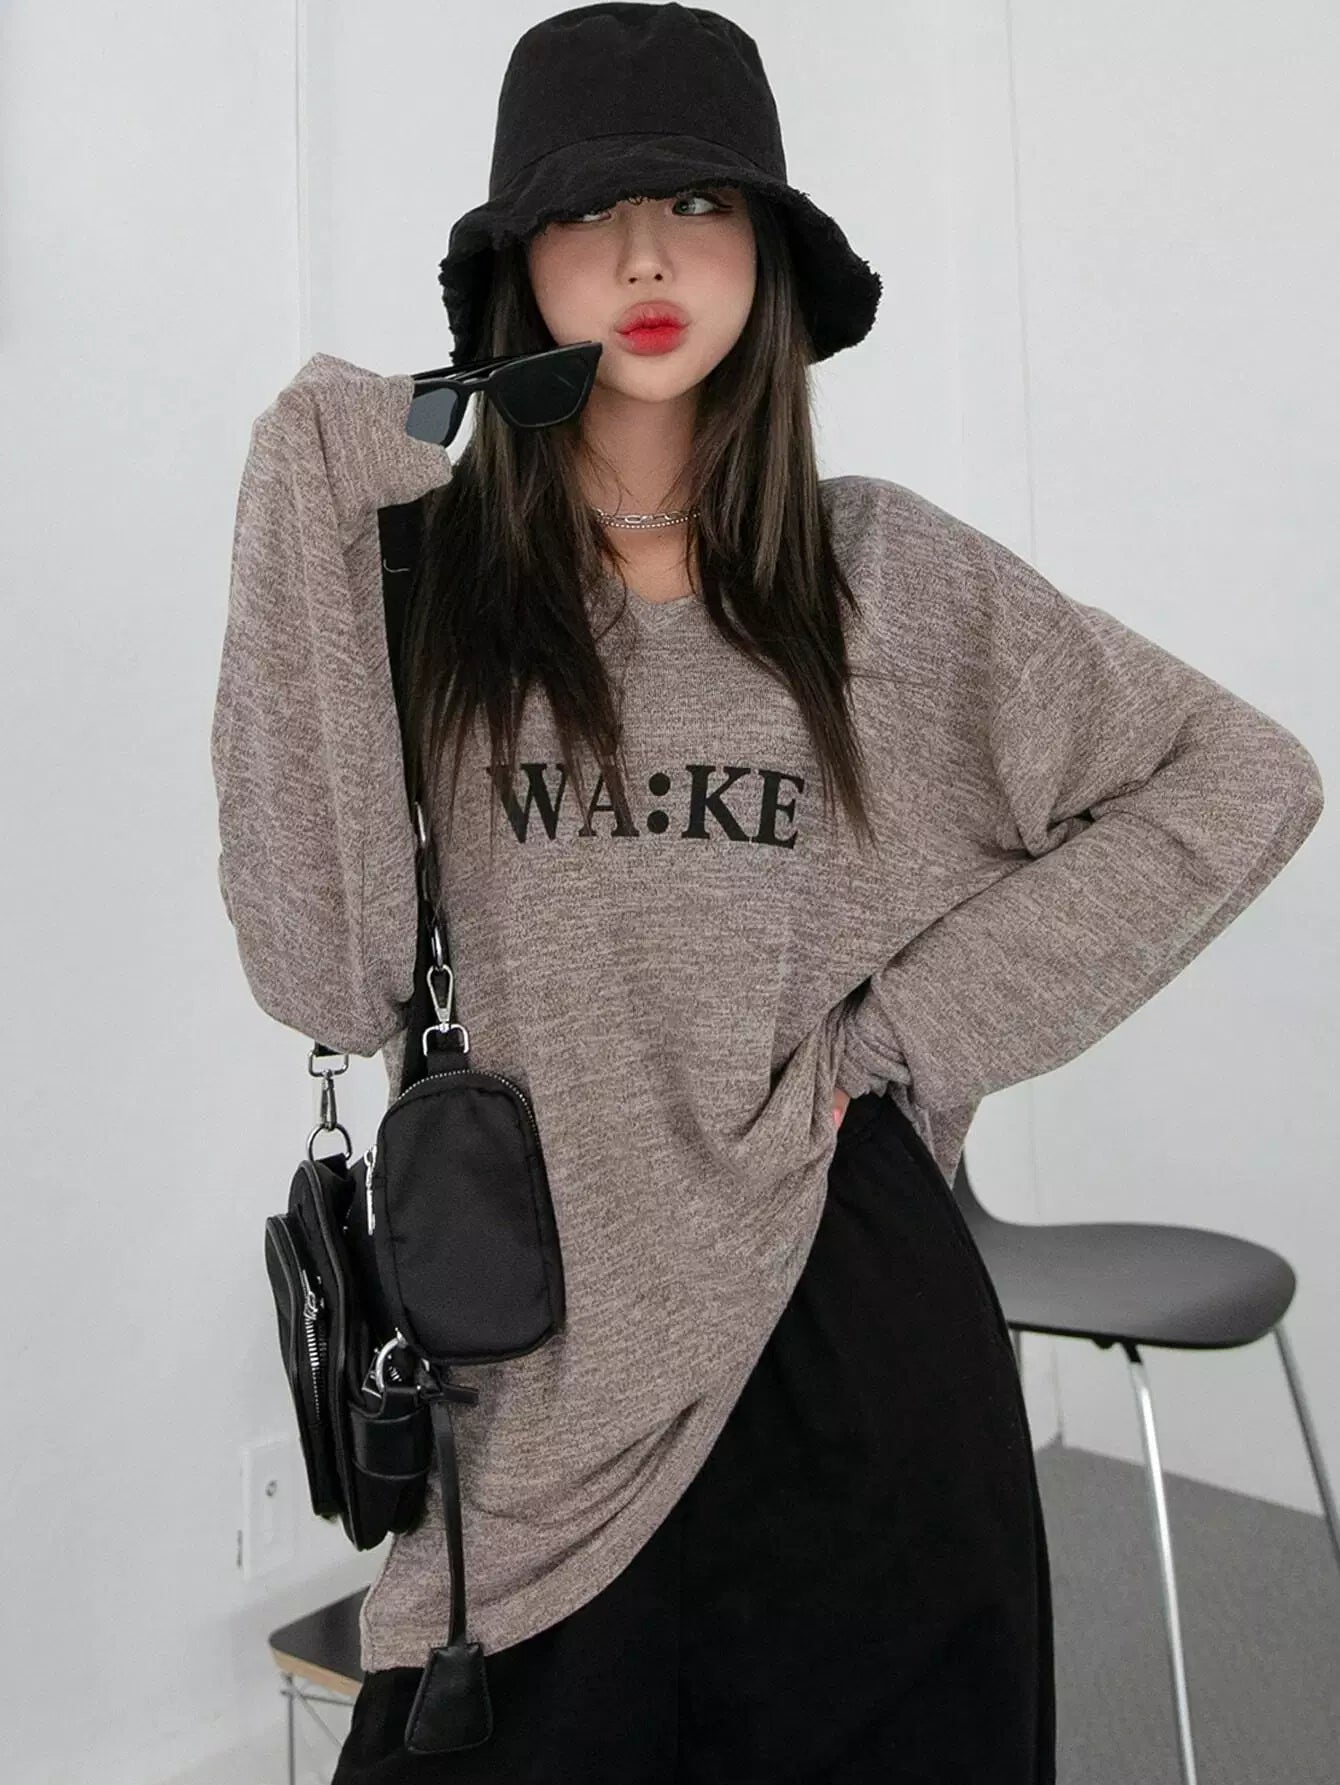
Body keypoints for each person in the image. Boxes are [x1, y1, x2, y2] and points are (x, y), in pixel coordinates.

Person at [211, 6, 1324, 1780]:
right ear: (517, 269)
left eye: (700, 205)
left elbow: (1241, 781)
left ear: (769, 254)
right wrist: (303, 509)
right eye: (591, 213)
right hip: (538, 1397)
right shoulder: (424, 586)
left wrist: (906, 1030)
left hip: (851, 1346)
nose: (649, 257)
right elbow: (326, 972)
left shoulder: (886, 575)